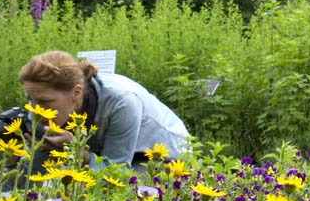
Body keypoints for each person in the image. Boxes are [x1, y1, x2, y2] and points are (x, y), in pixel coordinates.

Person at [15, 50, 190, 170]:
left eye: (44, 102)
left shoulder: (121, 103)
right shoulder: (44, 104)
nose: (35, 110)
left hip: (160, 155)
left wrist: (75, 151)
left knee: (126, 193)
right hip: (107, 150)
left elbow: (117, 171)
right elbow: (34, 165)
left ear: (76, 93)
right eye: (30, 100)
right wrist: (13, 145)